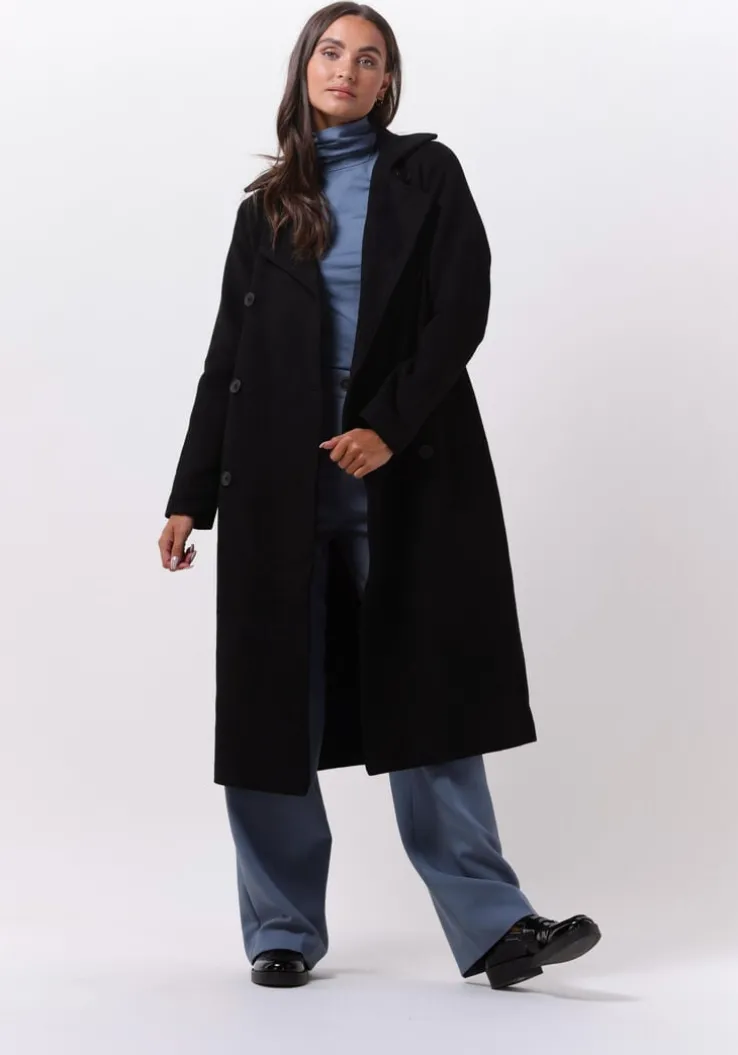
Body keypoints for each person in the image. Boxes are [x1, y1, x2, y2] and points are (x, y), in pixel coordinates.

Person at [158, 2, 601, 990]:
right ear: (304, 67)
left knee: (428, 691)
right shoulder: (265, 207)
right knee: (272, 706)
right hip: (275, 483)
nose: (347, 70)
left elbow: (461, 308)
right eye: (332, 52)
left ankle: (497, 927)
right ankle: (280, 928)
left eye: (369, 59)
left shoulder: (425, 175)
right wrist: (191, 493)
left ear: (388, 82)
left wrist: (388, 427)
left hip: (408, 474)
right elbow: (227, 359)